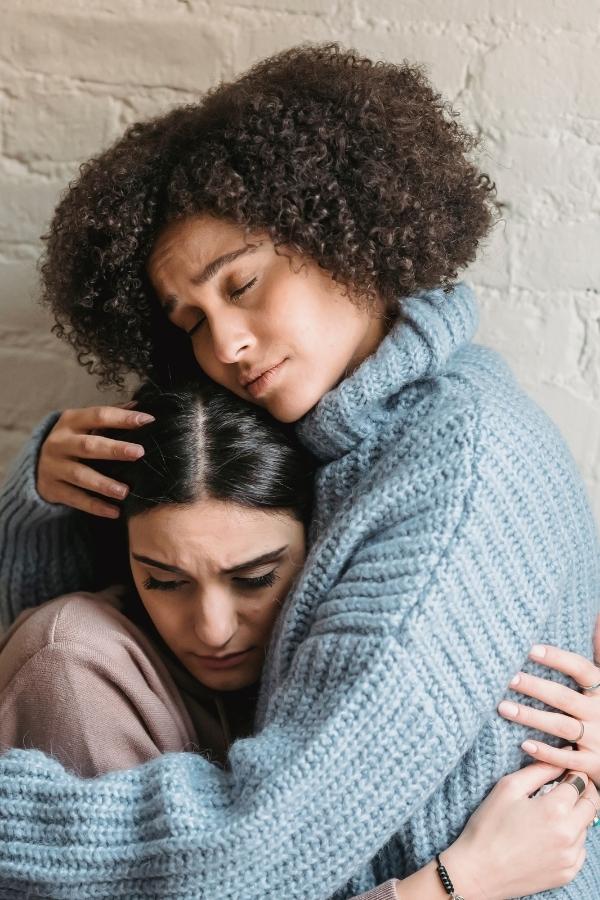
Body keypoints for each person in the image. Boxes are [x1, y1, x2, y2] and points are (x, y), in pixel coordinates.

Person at [0, 42, 599, 898]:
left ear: (342, 235)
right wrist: (42, 492)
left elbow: (256, 848)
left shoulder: (456, 472)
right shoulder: (349, 432)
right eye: (192, 320)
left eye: (241, 285)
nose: (226, 345)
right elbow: (70, 634)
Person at [1, 380, 599, 900]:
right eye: (165, 580)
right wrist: (457, 881)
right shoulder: (73, 671)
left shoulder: (337, 653)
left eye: (255, 578)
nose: (212, 628)